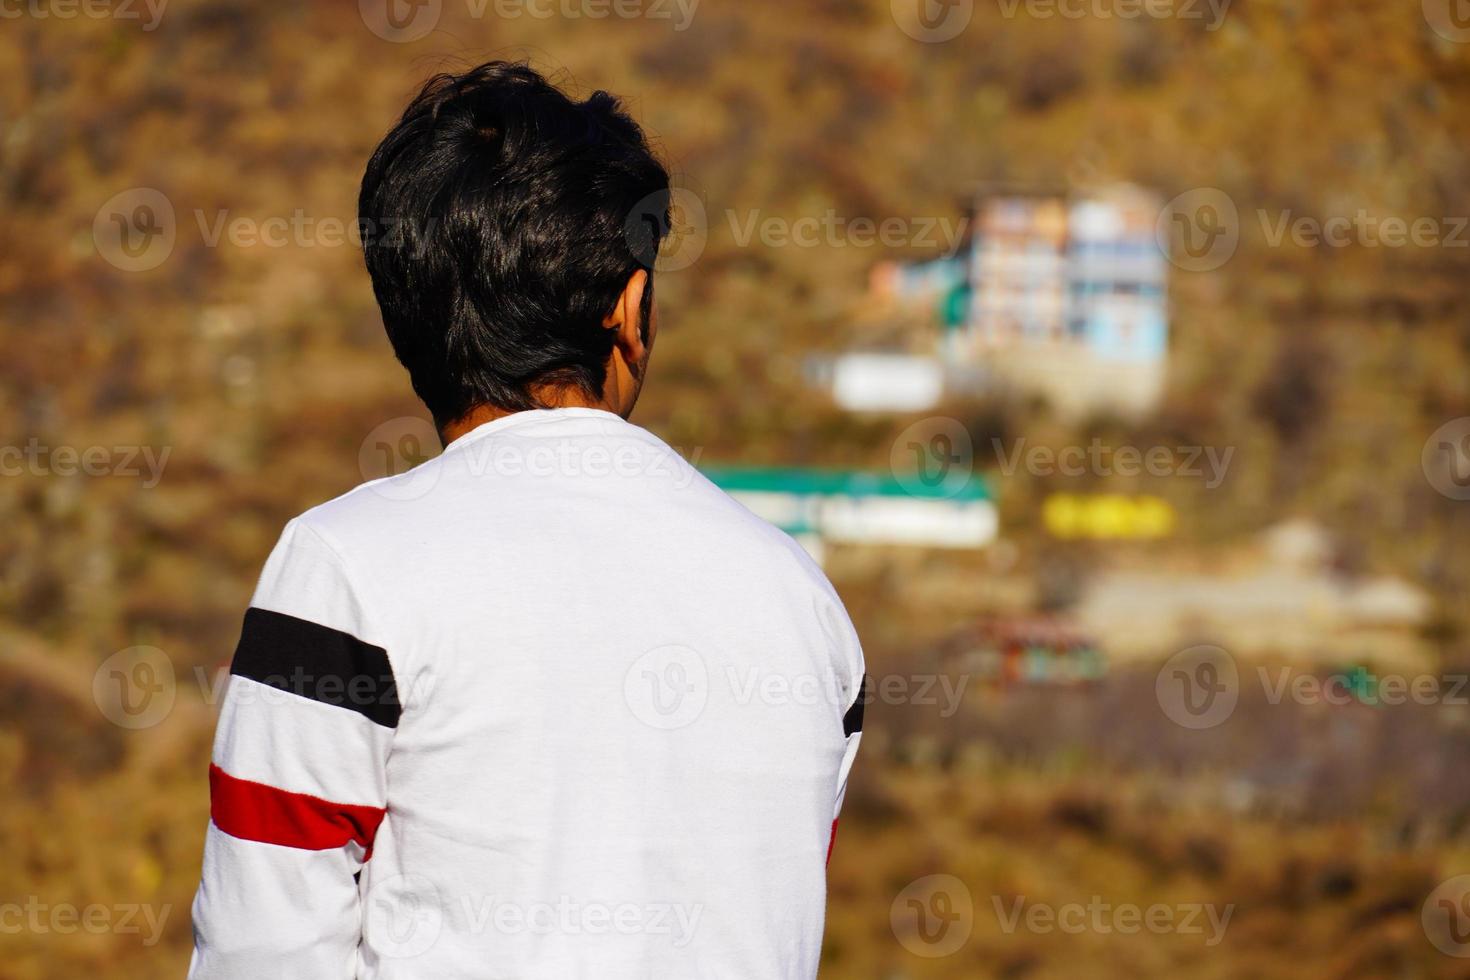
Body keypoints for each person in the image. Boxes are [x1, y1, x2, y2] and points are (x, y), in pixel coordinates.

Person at [187, 61, 865, 979]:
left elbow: (257, 955)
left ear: (407, 314)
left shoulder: (343, 573)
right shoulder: (805, 606)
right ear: (630, 309)